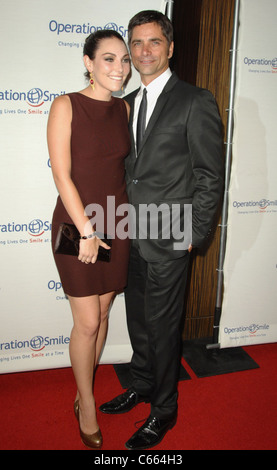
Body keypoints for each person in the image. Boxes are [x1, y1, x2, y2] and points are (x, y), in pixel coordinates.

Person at [99, 11, 223, 450]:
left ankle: (164, 410)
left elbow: (210, 174)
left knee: (164, 325)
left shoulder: (195, 99)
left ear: (170, 48)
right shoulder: (127, 101)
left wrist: (196, 233)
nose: (144, 51)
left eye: (154, 42)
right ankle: (143, 383)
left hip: (172, 233)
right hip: (131, 230)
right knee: (138, 321)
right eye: (137, 43)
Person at [47, 30, 131, 449]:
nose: (119, 69)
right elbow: (62, 175)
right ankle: (87, 401)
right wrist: (87, 232)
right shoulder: (66, 105)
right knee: (88, 322)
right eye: (109, 59)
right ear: (88, 62)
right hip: (76, 226)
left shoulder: (126, 109)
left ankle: (86, 392)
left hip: (118, 223)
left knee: (103, 312)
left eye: (124, 60)